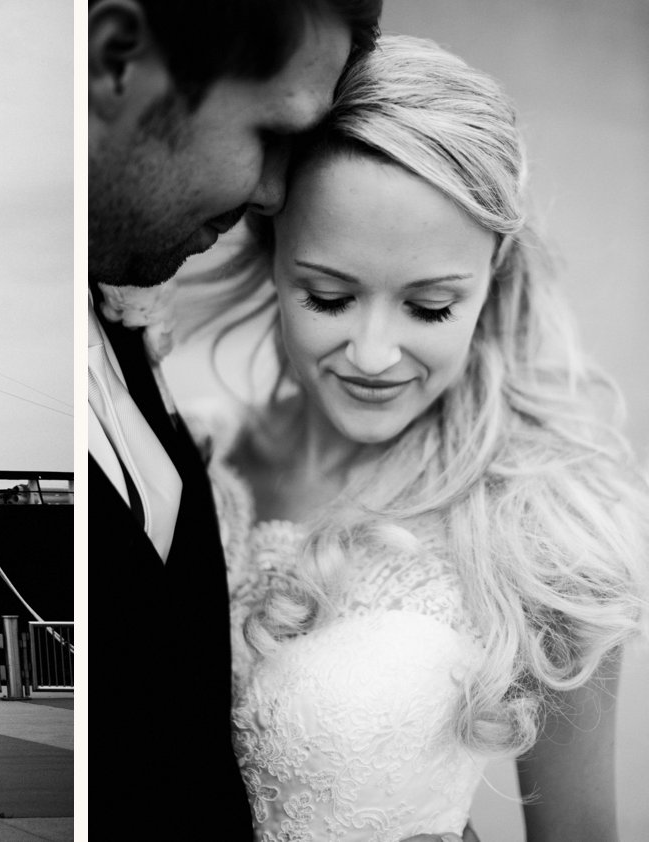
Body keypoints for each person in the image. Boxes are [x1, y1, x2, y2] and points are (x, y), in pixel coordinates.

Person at [174, 36, 646, 841]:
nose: (372, 355)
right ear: (272, 252)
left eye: (430, 307)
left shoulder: (544, 527)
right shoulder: (191, 461)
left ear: (492, 274)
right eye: (328, 296)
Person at [86, 0, 381, 835]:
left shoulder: (119, 320)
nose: (273, 191)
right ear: (114, 61)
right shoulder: (141, 325)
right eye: (270, 130)